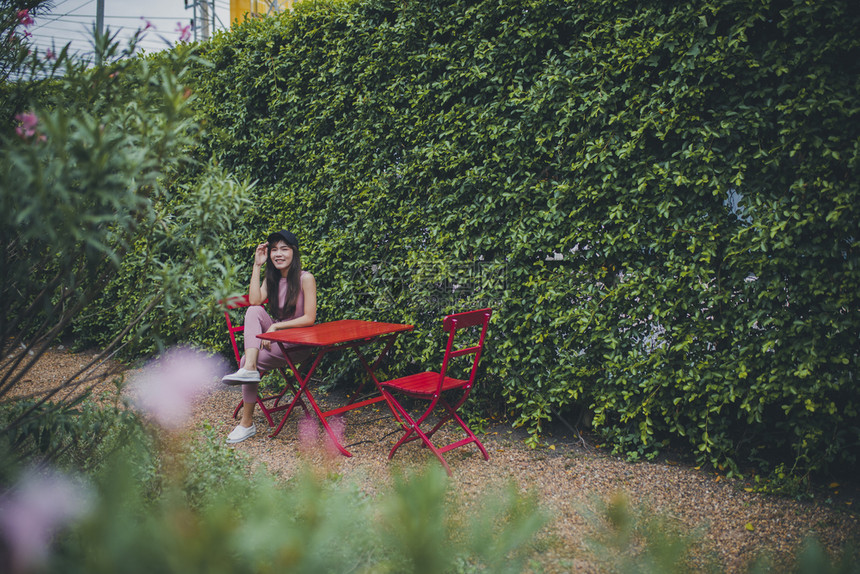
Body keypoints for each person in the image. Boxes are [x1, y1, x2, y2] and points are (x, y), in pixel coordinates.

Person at [221, 230, 317, 444]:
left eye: (284, 249)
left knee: (246, 360)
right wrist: (257, 265)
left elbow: (310, 318)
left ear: (294, 252)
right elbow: (255, 301)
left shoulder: (305, 278)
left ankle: (247, 420)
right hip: (278, 343)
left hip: (298, 343)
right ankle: (249, 374)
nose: (278, 254)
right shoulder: (271, 278)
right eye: (274, 250)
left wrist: (276, 328)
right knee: (253, 312)